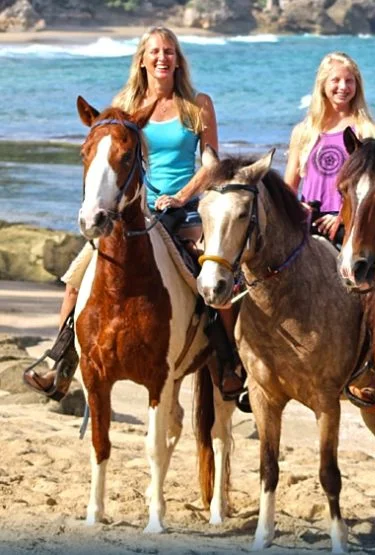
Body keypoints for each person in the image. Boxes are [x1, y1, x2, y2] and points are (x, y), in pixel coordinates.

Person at [23, 26, 246, 402]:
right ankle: (60, 361)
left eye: (170, 51)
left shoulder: (197, 104)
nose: (163, 58)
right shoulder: (125, 104)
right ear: (142, 59)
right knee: (78, 275)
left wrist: (181, 196)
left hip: (186, 208)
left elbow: (210, 161)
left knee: (212, 271)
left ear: (178, 60)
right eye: (155, 52)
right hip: (135, 210)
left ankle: (229, 362)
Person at [285, 52, 375, 242]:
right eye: (335, 80)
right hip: (307, 225)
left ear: (357, 86)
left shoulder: (368, 131)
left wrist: (343, 216)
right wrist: (297, 208)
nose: (343, 87)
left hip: (350, 227)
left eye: (349, 81)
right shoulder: (304, 131)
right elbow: (289, 187)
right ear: (323, 84)